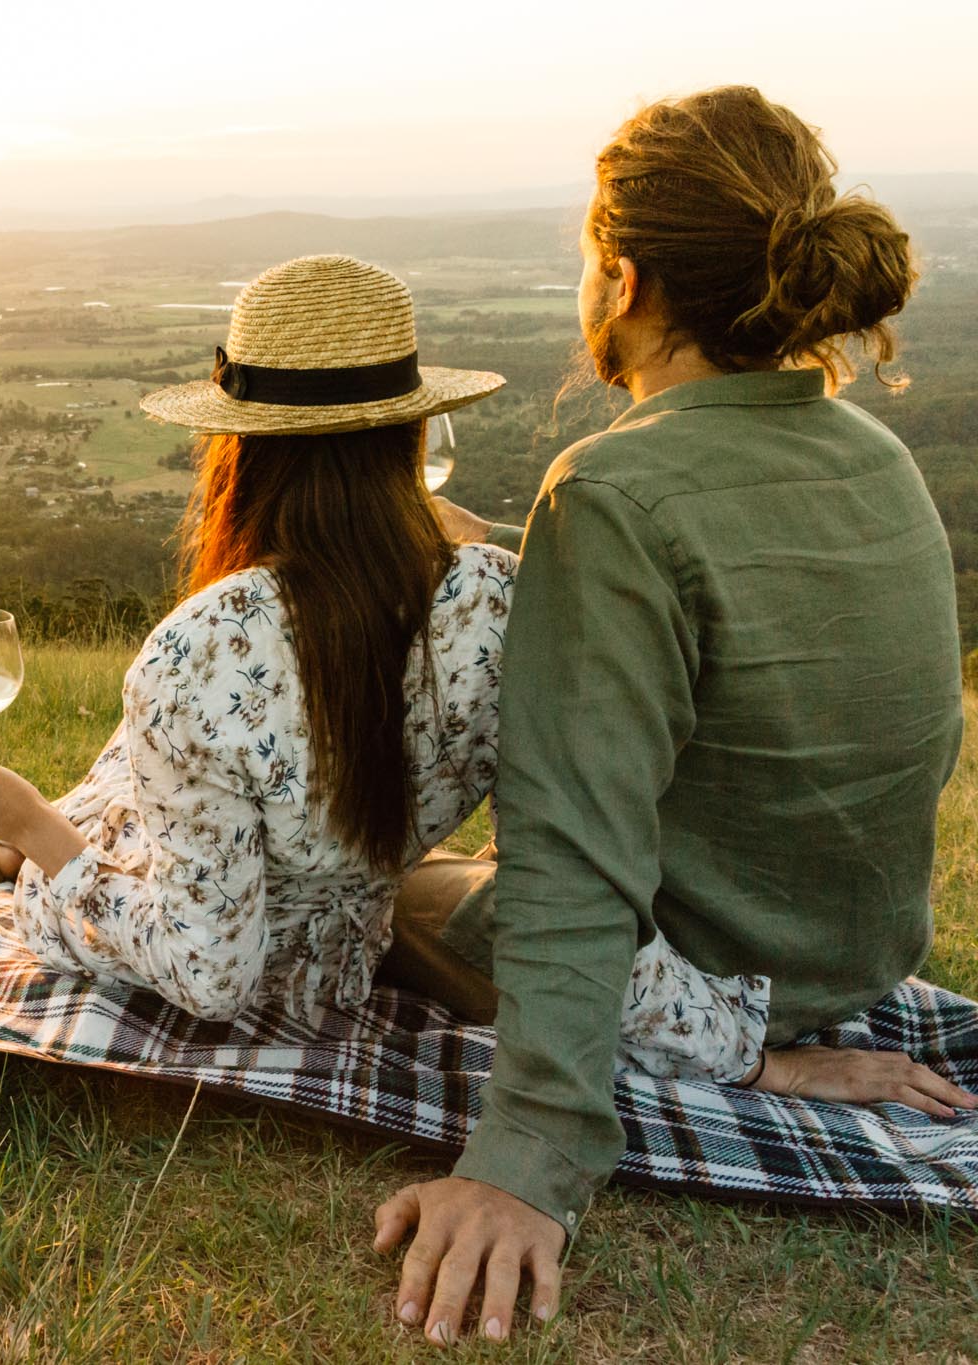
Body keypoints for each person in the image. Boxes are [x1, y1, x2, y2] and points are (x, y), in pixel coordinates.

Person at [364, 85, 976, 1348]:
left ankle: (746, 1057)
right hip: (846, 955)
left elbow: (570, 851)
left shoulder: (613, 488)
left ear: (622, 280)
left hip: (721, 979)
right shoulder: (875, 454)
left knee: (383, 890)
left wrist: (525, 1150)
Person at [0, 255, 788, 1130]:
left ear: (244, 449)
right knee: (138, 768)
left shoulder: (195, 654)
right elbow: (566, 886)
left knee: (94, 805)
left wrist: (38, 831)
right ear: (408, 433)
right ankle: (25, 828)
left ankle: (8, 838)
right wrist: (752, 1056)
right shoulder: (503, 602)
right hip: (343, 953)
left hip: (214, 930)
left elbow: (209, 974)